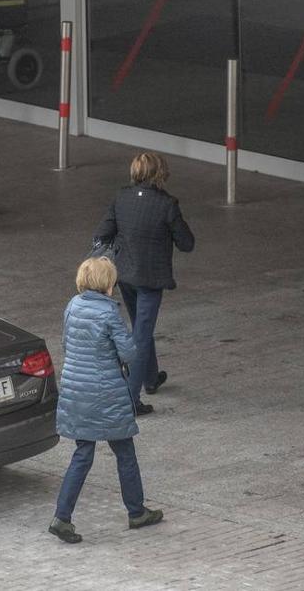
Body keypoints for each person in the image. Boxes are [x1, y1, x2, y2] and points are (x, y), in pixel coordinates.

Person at [50, 256, 164, 544]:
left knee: (82, 454)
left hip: (76, 391)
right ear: (107, 283)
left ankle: (61, 517)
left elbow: (66, 344)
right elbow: (128, 353)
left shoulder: (72, 306)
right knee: (124, 451)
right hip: (105, 393)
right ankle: (136, 512)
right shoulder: (108, 313)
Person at [93, 152, 195, 415]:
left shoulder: (121, 197)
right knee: (140, 335)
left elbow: (102, 234)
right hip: (151, 280)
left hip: (125, 276)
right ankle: (130, 399)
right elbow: (187, 243)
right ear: (159, 174)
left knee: (141, 326)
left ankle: (150, 379)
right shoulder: (167, 204)